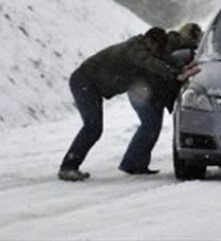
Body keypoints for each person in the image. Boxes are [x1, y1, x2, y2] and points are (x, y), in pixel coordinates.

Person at [58, 27, 199, 181]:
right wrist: (175, 75)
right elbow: (150, 63)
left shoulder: (148, 48)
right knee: (93, 127)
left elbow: (164, 57)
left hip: (94, 86)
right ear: (148, 40)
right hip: (84, 81)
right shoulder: (133, 49)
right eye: (155, 47)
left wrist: (181, 67)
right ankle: (68, 167)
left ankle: (134, 164)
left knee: (94, 128)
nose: (156, 51)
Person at [119, 24, 204, 174]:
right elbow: (164, 65)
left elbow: (171, 61)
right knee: (149, 126)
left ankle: (139, 164)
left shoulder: (166, 45)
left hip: (152, 93)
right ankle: (130, 162)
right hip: (144, 92)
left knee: (152, 127)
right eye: (198, 38)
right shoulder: (174, 45)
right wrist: (179, 72)